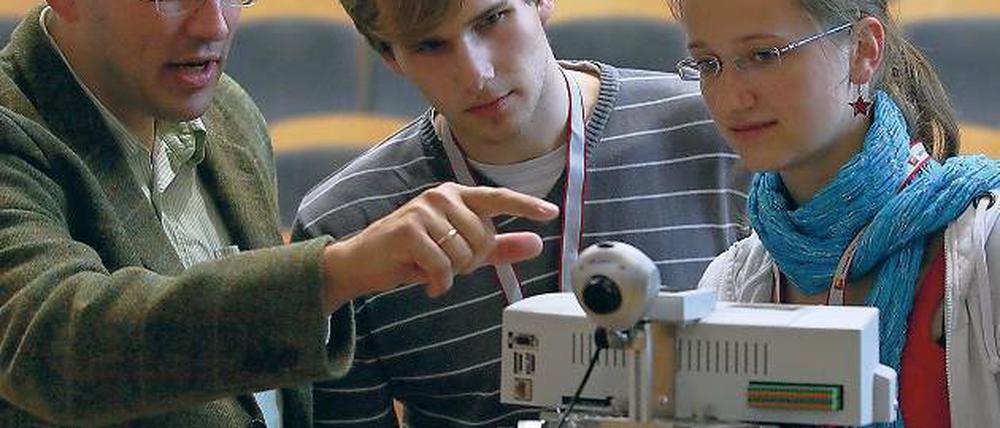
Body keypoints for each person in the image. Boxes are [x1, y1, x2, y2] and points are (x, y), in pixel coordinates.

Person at [0, 0, 561, 426]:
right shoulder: (15, 125)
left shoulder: (228, 112)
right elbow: (54, 344)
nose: (214, 26)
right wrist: (336, 273)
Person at [294, 0, 750, 426]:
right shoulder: (347, 230)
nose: (477, 74)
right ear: (388, 55)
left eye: (491, 20)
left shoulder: (723, 136)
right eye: (430, 45)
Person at [666, 0, 1000, 426]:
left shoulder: (986, 249)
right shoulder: (728, 282)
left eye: (764, 56)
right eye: (709, 64)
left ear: (863, 50)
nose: (731, 98)